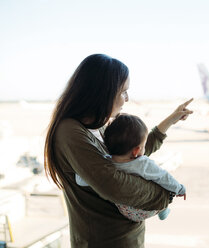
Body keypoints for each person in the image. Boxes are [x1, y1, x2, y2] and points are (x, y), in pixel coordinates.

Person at [44, 54, 193, 248]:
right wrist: (165, 195)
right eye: (123, 91)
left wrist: (169, 121)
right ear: (103, 92)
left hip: (128, 239)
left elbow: (132, 155)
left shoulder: (99, 126)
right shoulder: (70, 132)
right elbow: (114, 185)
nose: (127, 98)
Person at [75, 113, 186, 222]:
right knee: (157, 177)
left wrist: (79, 171)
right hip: (147, 209)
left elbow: (81, 180)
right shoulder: (142, 163)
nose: (144, 149)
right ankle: (162, 210)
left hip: (126, 212)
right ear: (136, 151)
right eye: (143, 146)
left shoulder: (105, 163)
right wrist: (179, 188)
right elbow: (163, 177)